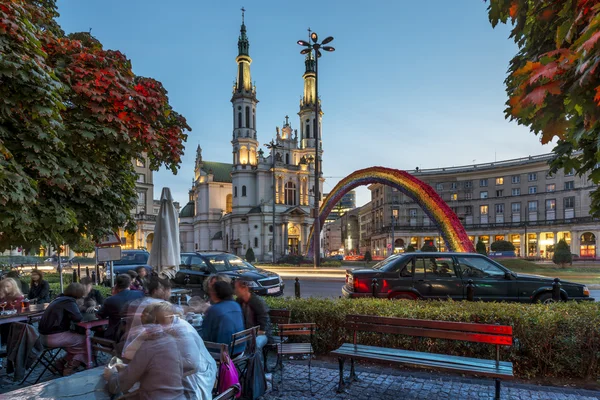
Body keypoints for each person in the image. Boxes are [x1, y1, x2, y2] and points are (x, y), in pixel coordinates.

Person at [123, 302, 216, 400]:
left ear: (159, 322)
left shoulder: (183, 331)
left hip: (196, 378)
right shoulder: (157, 328)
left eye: (151, 328)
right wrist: (143, 336)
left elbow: (192, 365)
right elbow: (128, 353)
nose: (149, 331)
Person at [103, 309, 186, 400]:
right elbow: (156, 371)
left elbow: (117, 386)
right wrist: (127, 367)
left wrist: (112, 375)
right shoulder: (170, 340)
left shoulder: (149, 346)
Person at [38, 283, 87, 376]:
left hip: (42, 336)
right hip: (54, 337)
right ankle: (69, 367)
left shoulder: (58, 299)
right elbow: (78, 318)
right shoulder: (68, 302)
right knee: (85, 340)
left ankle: (59, 363)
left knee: (74, 346)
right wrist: (80, 307)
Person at [201, 280, 244, 354]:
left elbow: (205, 334)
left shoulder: (214, 309)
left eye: (211, 291)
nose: (210, 293)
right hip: (240, 349)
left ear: (216, 293)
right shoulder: (236, 305)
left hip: (222, 353)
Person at [97, 274, 144, 342]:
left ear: (116, 285)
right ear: (130, 283)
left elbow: (100, 315)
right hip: (138, 333)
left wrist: (113, 295)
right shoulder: (140, 294)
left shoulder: (110, 300)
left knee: (97, 334)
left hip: (117, 336)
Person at [234, 278, 272, 350]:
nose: (235, 291)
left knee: (255, 344)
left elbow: (264, 325)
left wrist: (253, 334)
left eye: (237, 288)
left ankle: (255, 361)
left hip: (262, 334)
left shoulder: (257, 302)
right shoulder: (239, 301)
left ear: (245, 288)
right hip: (247, 334)